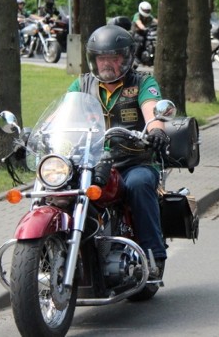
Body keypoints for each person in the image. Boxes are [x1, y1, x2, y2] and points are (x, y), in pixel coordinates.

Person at [67, 24, 170, 279]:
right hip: (91, 162)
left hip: (134, 160)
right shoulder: (82, 84)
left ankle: (153, 256)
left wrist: (156, 130)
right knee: (62, 188)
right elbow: (65, 114)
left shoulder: (142, 82)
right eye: (102, 58)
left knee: (139, 184)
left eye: (114, 58)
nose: (107, 64)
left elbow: (152, 109)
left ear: (126, 58)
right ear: (94, 59)